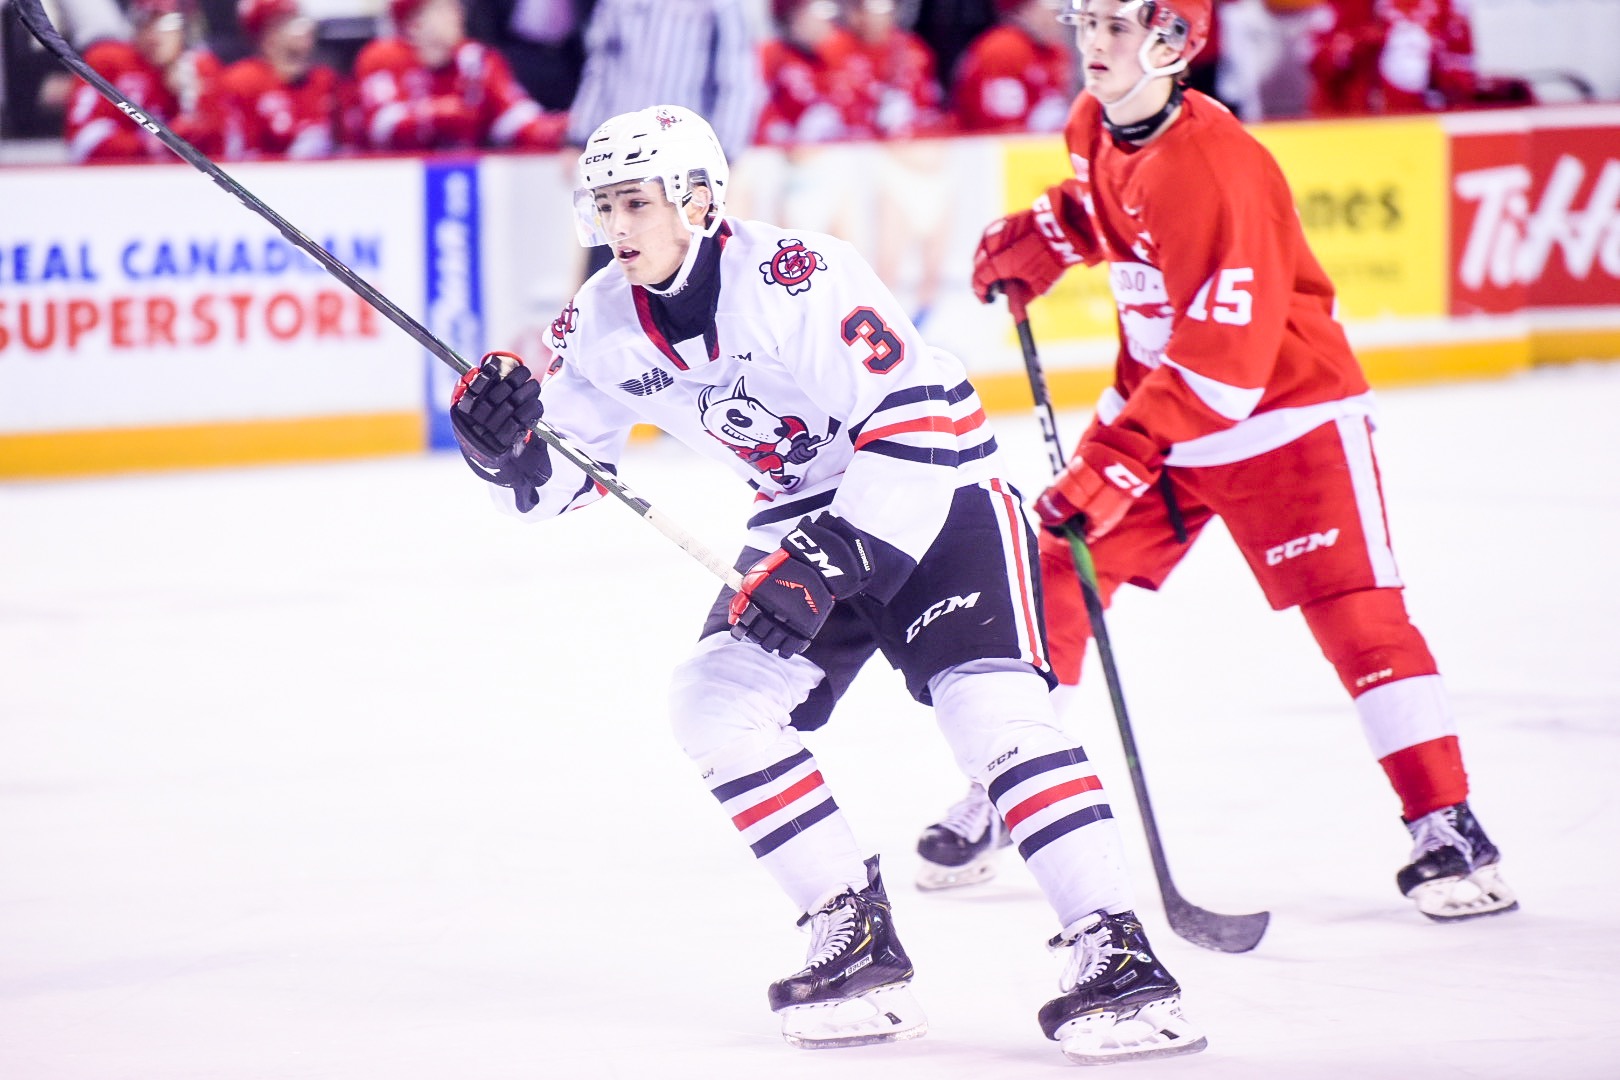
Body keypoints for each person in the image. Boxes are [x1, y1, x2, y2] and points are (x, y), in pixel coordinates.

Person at [444, 103, 1208, 1064]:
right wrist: (505, 450)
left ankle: (1119, 953)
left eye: (635, 202)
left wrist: (827, 564)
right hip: (801, 520)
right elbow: (563, 479)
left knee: (990, 714)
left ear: (698, 200)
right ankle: (856, 938)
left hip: (939, 492)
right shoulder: (599, 320)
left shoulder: (795, 276)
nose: (616, 225)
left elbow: (913, 419)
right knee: (715, 703)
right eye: (603, 205)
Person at [917, 0, 1518, 926]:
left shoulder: (1218, 165)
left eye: (1119, 28)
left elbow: (1224, 364)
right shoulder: (1093, 122)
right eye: (1088, 22)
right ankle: (1010, 786)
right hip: (1161, 414)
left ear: (1174, 42)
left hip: (1284, 423)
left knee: (1356, 618)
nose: (1094, 45)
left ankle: (1448, 824)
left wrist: (1116, 461)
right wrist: (1050, 233)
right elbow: (1114, 211)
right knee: (1052, 582)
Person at [352, 0, 568, 152]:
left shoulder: (476, 58)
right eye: (444, 8)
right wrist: (439, 113)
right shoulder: (382, 57)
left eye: (456, 6)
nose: (457, 15)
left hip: (466, 172)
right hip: (391, 181)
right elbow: (382, 129)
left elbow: (515, 117)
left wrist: (565, 129)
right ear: (414, 23)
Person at [63, 0, 227, 162]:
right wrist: (148, 145)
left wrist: (192, 102)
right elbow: (82, 141)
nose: (155, 35)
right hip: (119, 174)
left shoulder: (200, 67)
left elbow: (221, 148)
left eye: (166, 23)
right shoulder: (108, 61)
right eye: (145, 22)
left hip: (180, 177)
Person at [220, 0, 346, 159]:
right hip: (265, 172)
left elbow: (346, 146)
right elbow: (240, 153)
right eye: (290, 21)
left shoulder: (324, 79)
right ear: (268, 34)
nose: (304, 28)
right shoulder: (244, 80)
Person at [950, 0, 1076, 133]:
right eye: (1053, 9)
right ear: (1025, 9)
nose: (1059, 17)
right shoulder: (1004, 48)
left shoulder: (1054, 51)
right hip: (986, 141)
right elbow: (1002, 128)